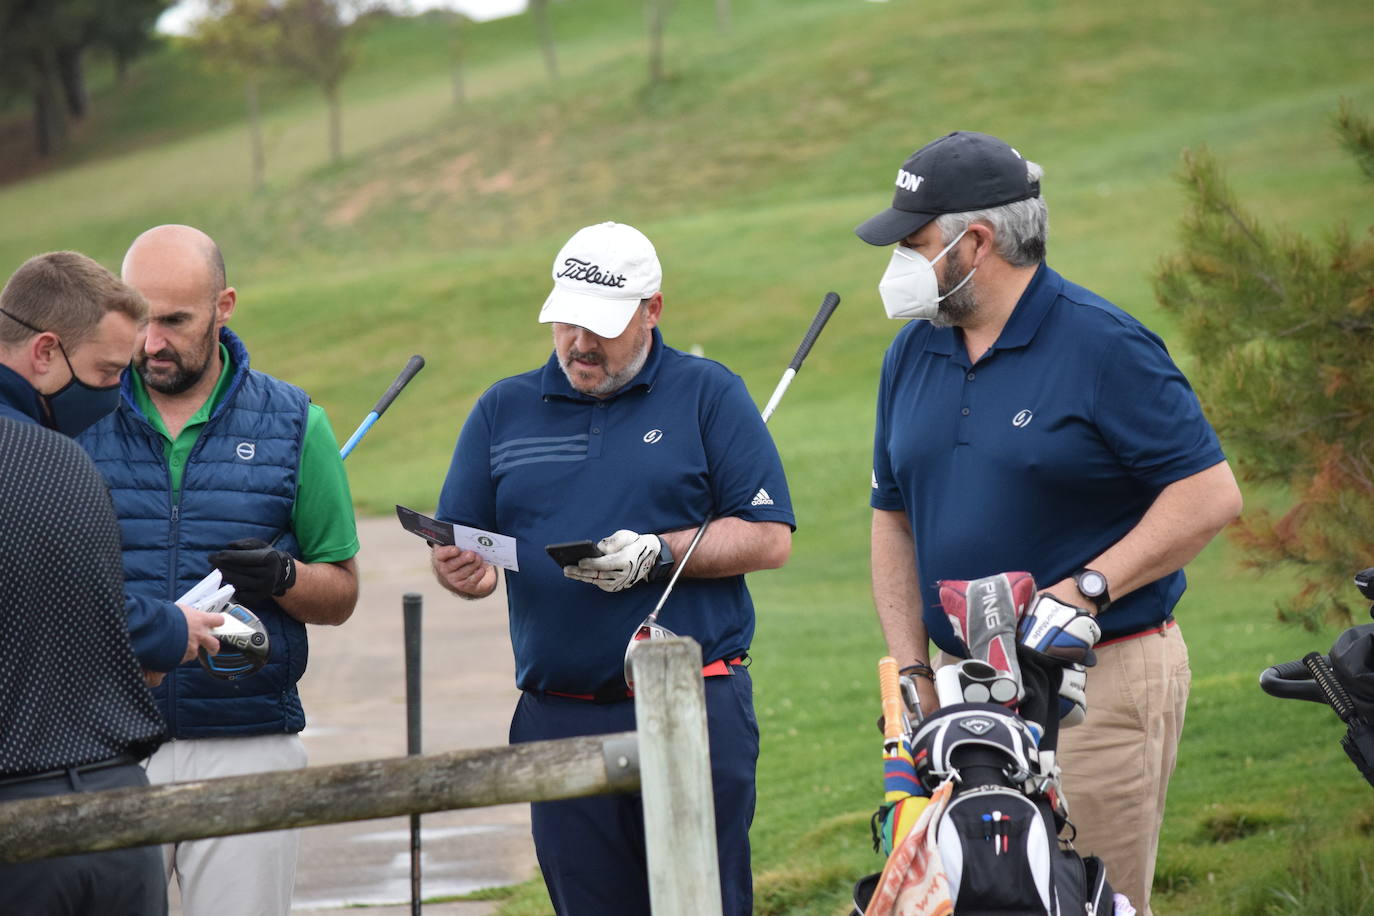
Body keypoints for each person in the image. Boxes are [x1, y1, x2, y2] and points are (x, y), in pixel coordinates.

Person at [856, 131, 1244, 915]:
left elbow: (1208, 494)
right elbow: (892, 516)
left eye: (914, 241)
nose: (899, 261)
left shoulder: (1103, 344)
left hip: (1094, 685)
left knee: (1079, 898)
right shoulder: (913, 352)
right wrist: (910, 671)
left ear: (976, 242)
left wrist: (1091, 587)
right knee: (969, 897)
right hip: (961, 693)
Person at [432, 221, 794, 916]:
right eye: (567, 321)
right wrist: (463, 571)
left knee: (702, 904)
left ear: (652, 310)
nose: (580, 343)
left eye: (600, 325)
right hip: (556, 715)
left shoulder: (708, 393)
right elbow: (465, 545)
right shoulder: (502, 410)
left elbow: (767, 537)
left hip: (693, 705)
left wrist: (658, 552)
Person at [78, 225, 361, 916]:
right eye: (141, 319)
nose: (152, 343)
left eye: (175, 320)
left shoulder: (298, 423)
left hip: (246, 744)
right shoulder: (77, 417)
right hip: (109, 746)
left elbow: (342, 591)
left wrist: (284, 578)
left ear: (224, 306)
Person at [0, 251, 174, 915]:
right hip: (114, 810)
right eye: (106, 373)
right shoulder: (67, 464)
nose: (114, 396)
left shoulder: (64, 459)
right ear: (45, 351)